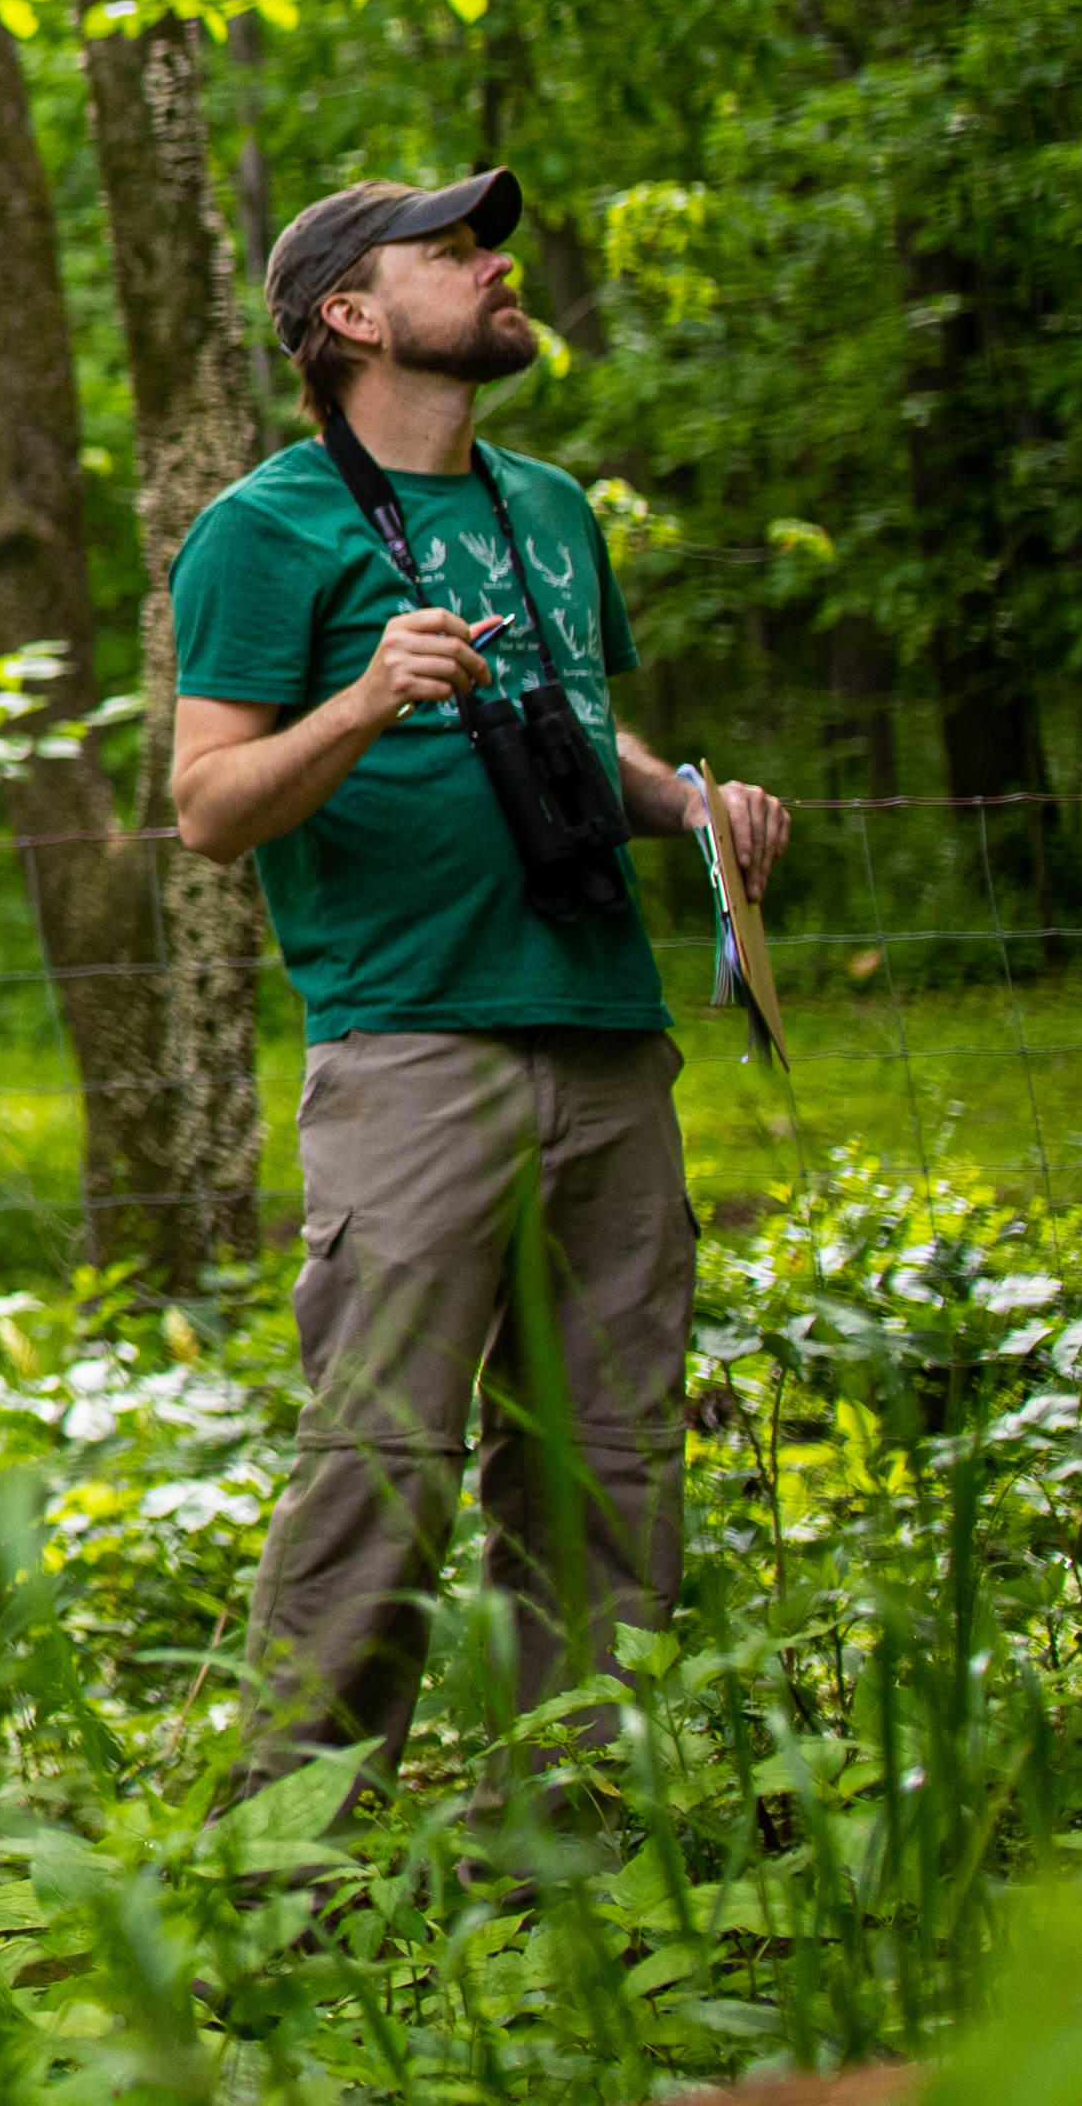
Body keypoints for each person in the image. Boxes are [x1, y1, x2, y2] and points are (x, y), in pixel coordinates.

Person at [171, 168, 790, 1791]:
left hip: (604, 1034)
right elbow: (205, 806)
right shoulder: (264, 528)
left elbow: (575, 717)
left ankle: (573, 1831)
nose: (494, 264)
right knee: (379, 1461)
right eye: (447, 251)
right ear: (349, 315)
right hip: (407, 1044)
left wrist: (681, 801)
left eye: (485, 241)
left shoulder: (553, 506)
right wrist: (366, 697)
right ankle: (289, 1855)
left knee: (608, 1458)